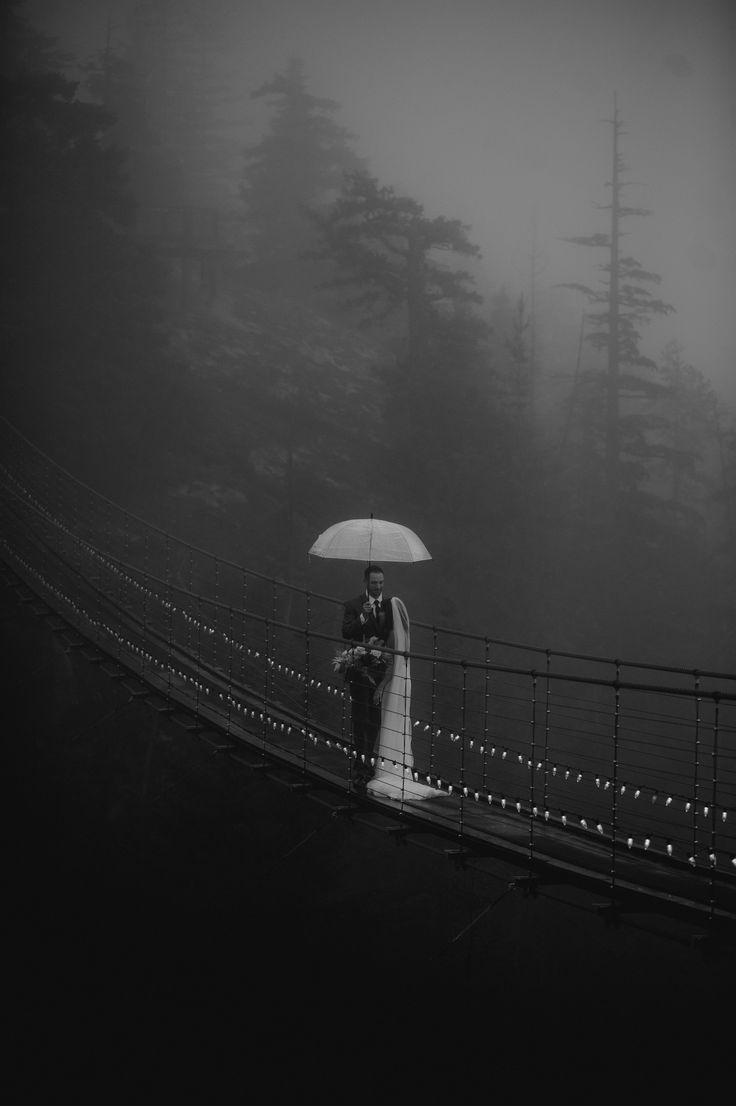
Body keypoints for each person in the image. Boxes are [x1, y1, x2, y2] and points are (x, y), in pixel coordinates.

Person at [366, 595, 439, 801]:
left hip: (394, 681)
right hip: (405, 681)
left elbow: (390, 666)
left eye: (382, 611)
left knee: (389, 720)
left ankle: (388, 770)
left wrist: (380, 687)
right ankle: (399, 767)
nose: (379, 613)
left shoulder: (391, 635)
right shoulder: (405, 633)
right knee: (399, 721)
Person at [342, 564, 394, 789]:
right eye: (374, 583)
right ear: (366, 582)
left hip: (379, 670)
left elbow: (392, 635)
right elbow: (346, 633)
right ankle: (360, 762)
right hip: (357, 668)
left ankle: (369, 761)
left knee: (374, 719)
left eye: (381, 582)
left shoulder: (390, 606)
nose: (378, 587)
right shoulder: (353, 605)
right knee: (360, 716)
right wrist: (363, 616)